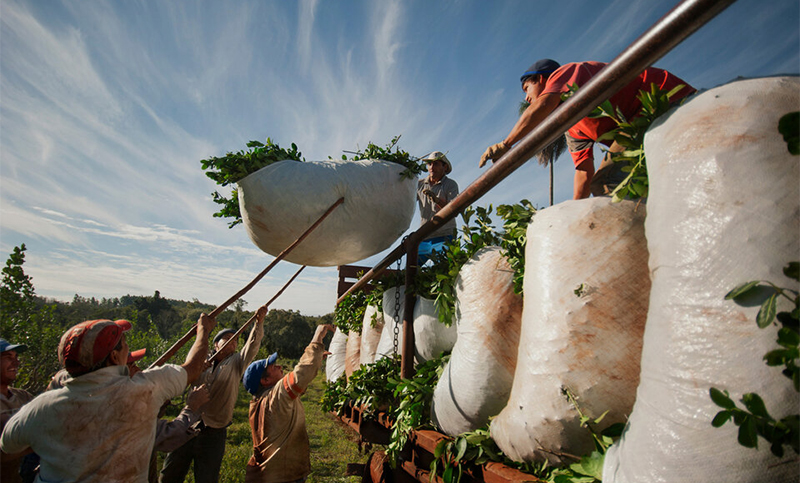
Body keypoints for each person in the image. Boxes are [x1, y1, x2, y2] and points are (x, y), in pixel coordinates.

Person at [0, 314, 215, 482]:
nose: (128, 350)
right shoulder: (144, 390)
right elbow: (194, 367)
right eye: (124, 344)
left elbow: (7, 448)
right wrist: (203, 331)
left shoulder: (40, 408)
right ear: (114, 357)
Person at [479, 59, 695, 199]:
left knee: (608, 182)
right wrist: (574, 213)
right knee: (604, 183)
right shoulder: (573, 128)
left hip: (662, 100)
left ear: (542, 78)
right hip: (639, 128)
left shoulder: (567, 73)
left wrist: (505, 144)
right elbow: (583, 173)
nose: (526, 97)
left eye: (527, 88)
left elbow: (542, 105)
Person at [160, 304, 268, 483]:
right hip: (187, 424)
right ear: (215, 344)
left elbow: (253, 345)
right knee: (170, 473)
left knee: (207, 477)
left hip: (214, 432)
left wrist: (259, 322)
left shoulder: (237, 363)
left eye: (235, 340)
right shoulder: (199, 359)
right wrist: (196, 368)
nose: (232, 341)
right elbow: (183, 375)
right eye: (227, 338)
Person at [242, 324, 334, 483]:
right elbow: (303, 372)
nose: (279, 366)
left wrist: (317, 358)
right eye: (273, 366)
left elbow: (297, 385)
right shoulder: (275, 397)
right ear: (265, 381)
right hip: (283, 476)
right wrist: (318, 337)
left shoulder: (259, 401)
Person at [0, 338, 34, 483]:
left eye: (16, 357)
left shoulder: (23, 396)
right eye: (9, 358)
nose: (16, 362)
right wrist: (37, 444)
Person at [417, 151, 459, 264]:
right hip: (424, 236)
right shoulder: (420, 185)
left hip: (444, 235)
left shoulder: (450, 185)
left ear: (444, 167)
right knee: (412, 269)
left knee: (446, 270)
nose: (431, 167)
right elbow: (405, 199)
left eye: (435, 164)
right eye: (429, 164)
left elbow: (454, 210)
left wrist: (437, 200)